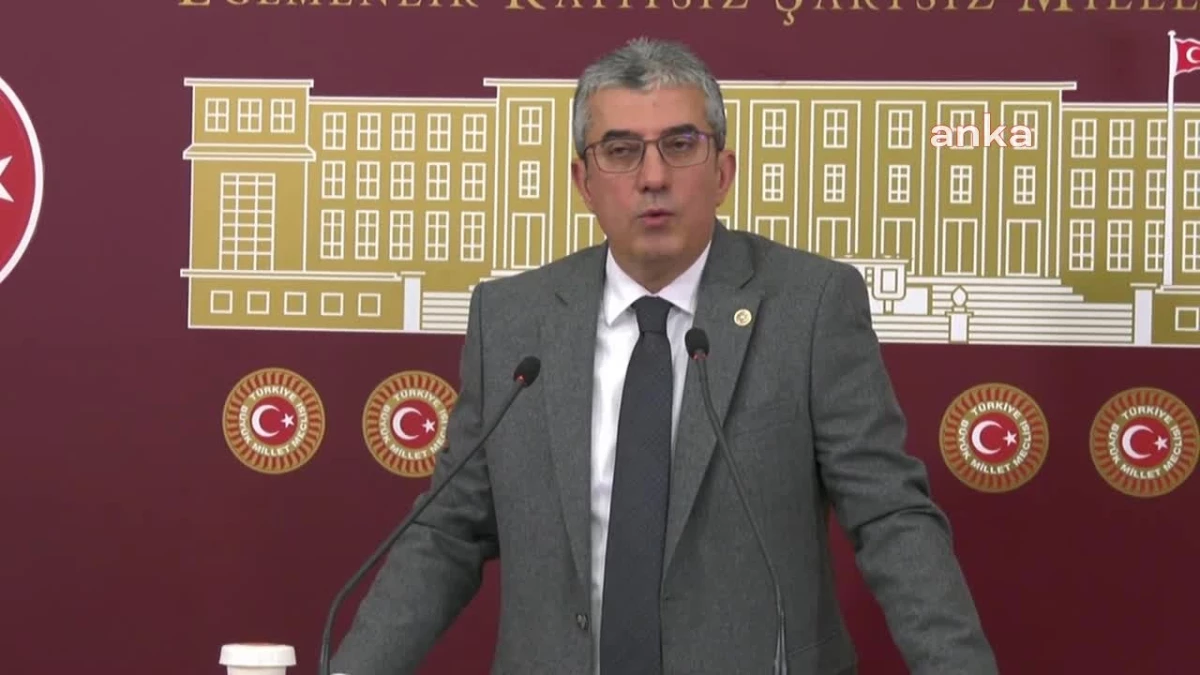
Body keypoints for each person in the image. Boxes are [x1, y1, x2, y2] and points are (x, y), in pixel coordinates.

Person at [330, 37, 999, 675]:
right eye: (621, 150)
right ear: (583, 181)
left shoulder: (810, 306)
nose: (653, 177)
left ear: (723, 171)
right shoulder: (512, 319)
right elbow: (448, 532)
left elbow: (890, 517)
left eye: (679, 145)